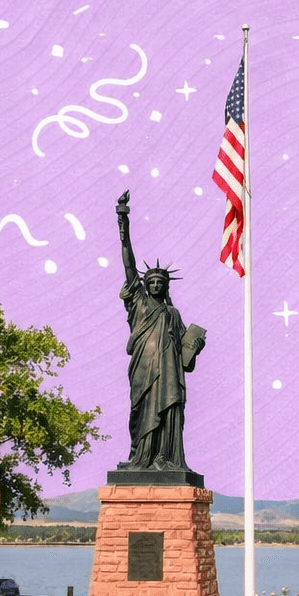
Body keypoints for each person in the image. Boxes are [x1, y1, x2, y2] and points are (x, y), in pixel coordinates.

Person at [115, 191, 204, 471]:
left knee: (167, 412)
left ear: (166, 286)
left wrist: (194, 347)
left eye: (159, 282)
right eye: (151, 281)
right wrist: (122, 221)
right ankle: (139, 458)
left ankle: (165, 458)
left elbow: (184, 359)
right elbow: (129, 264)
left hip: (168, 373)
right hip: (143, 367)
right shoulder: (138, 302)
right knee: (139, 411)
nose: (154, 285)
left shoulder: (173, 314)